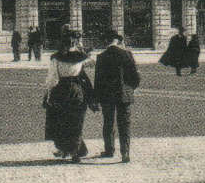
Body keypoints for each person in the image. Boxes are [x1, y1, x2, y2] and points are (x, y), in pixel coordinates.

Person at [44, 29, 97, 162]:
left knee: (61, 121)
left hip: (61, 90)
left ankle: (64, 149)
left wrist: (48, 93)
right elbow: (91, 62)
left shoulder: (56, 58)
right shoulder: (81, 57)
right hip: (77, 90)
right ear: (75, 42)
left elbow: (52, 78)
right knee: (76, 121)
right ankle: (75, 152)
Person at [94, 32, 140, 163]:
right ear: (118, 41)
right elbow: (135, 76)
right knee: (124, 123)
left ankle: (109, 150)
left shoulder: (101, 57)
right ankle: (125, 153)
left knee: (108, 122)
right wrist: (130, 89)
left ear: (106, 42)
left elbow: (98, 80)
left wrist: (97, 97)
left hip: (107, 95)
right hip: (123, 94)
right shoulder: (127, 54)